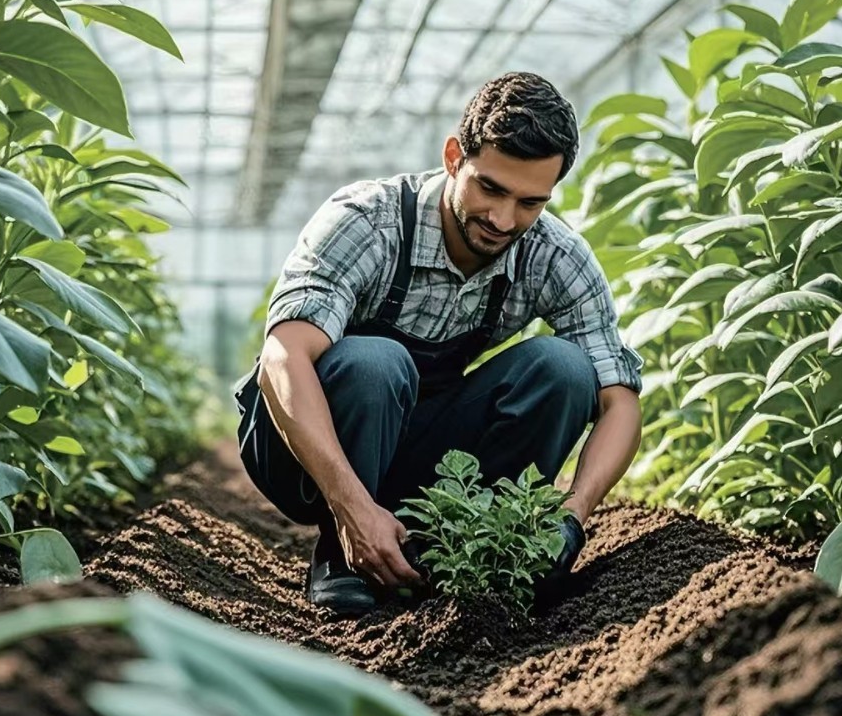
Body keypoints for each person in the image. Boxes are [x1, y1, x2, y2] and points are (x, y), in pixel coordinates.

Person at [233, 72, 644, 616]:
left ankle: (461, 547)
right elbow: (283, 359)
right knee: (374, 360)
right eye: (490, 188)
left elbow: (621, 403)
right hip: (303, 451)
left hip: (419, 440)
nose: (503, 219)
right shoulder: (369, 222)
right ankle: (342, 548)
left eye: (529, 202)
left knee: (565, 368)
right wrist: (353, 507)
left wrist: (572, 515)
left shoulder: (554, 257)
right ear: (454, 157)